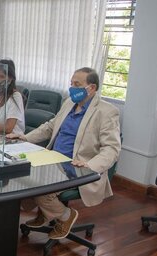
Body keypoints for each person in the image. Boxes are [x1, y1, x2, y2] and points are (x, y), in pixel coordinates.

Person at [8, 67, 121, 239]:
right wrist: (25, 138)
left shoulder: (106, 112)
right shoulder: (69, 102)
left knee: (41, 188)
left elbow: (112, 148)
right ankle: (47, 213)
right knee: (20, 173)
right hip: (53, 159)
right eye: (71, 83)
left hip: (78, 166)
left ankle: (66, 216)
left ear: (91, 88)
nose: (72, 88)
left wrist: (90, 165)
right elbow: (50, 126)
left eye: (77, 84)